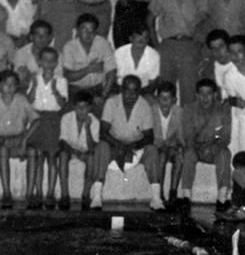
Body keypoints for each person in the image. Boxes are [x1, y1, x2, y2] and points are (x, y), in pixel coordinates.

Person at [150, 0, 207, 106]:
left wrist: (199, 45)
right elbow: (148, 21)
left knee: (189, 93)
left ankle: (187, 129)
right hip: (167, 46)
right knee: (165, 91)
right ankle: (165, 127)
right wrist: (157, 46)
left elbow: (204, 22)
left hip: (189, 47)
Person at [97, 74, 155, 209]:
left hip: (135, 147)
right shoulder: (111, 102)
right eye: (127, 91)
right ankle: (96, 196)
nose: (131, 95)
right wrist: (119, 145)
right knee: (101, 146)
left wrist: (132, 146)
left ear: (139, 92)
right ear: (121, 90)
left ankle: (156, 198)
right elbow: (103, 132)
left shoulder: (144, 105)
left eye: (135, 91)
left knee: (152, 150)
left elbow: (149, 137)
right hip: (113, 145)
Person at [0, 69, 34, 209]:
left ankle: (30, 194)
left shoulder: (21, 100)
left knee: (33, 151)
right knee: (2, 149)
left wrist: (24, 139)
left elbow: (36, 120)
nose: (9, 87)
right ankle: (7, 193)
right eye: (5, 84)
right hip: (2, 139)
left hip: (20, 138)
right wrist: (2, 140)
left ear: (17, 86)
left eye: (13, 84)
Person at [25, 44, 69, 210]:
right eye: (45, 61)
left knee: (51, 157)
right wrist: (35, 86)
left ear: (56, 63)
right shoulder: (34, 79)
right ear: (39, 62)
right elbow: (29, 101)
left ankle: (50, 193)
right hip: (37, 118)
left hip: (52, 120)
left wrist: (55, 90)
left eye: (52, 61)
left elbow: (62, 104)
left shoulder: (61, 81)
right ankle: (36, 192)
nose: (49, 64)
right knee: (37, 156)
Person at [179, 78, 233, 211]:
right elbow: (188, 135)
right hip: (196, 148)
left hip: (214, 148)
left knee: (225, 153)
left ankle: (222, 197)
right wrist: (197, 147)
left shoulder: (223, 109)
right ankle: (186, 196)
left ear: (215, 94)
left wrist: (215, 145)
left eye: (208, 93)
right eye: (201, 93)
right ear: (197, 95)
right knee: (188, 154)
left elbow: (225, 135)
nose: (205, 97)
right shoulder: (189, 109)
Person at [60, 12, 115, 112]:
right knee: (75, 114)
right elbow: (68, 76)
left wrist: (103, 95)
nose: (88, 34)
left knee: (104, 111)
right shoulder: (69, 47)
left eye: (92, 30)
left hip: (97, 89)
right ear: (77, 30)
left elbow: (112, 72)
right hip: (76, 90)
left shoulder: (103, 43)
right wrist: (88, 69)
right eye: (84, 29)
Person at [59, 89, 103, 210]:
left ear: (90, 108)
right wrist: (75, 153)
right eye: (78, 107)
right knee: (63, 155)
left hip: (86, 151)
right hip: (70, 150)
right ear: (74, 107)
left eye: (85, 107)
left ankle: (85, 194)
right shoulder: (66, 118)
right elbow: (63, 142)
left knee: (91, 157)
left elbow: (92, 147)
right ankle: (64, 195)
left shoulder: (94, 122)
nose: (81, 111)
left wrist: (87, 128)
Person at [150, 80, 186, 209]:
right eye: (161, 97)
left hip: (170, 146)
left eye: (168, 98)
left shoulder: (179, 112)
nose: (164, 101)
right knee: (162, 155)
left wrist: (182, 147)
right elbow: (148, 135)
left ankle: (173, 193)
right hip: (156, 146)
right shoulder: (151, 110)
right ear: (156, 98)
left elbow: (181, 136)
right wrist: (160, 144)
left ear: (174, 99)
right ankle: (159, 193)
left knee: (179, 156)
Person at [114, 24, 161, 95]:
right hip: (121, 89)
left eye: (144, 37)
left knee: (151, 101)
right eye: (138, 36)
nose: (141, 40)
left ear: (148, 40)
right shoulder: (119, 53)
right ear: (131, 38)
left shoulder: (154, 55)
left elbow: (153, 82)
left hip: (143, 91)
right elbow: (114, 78)